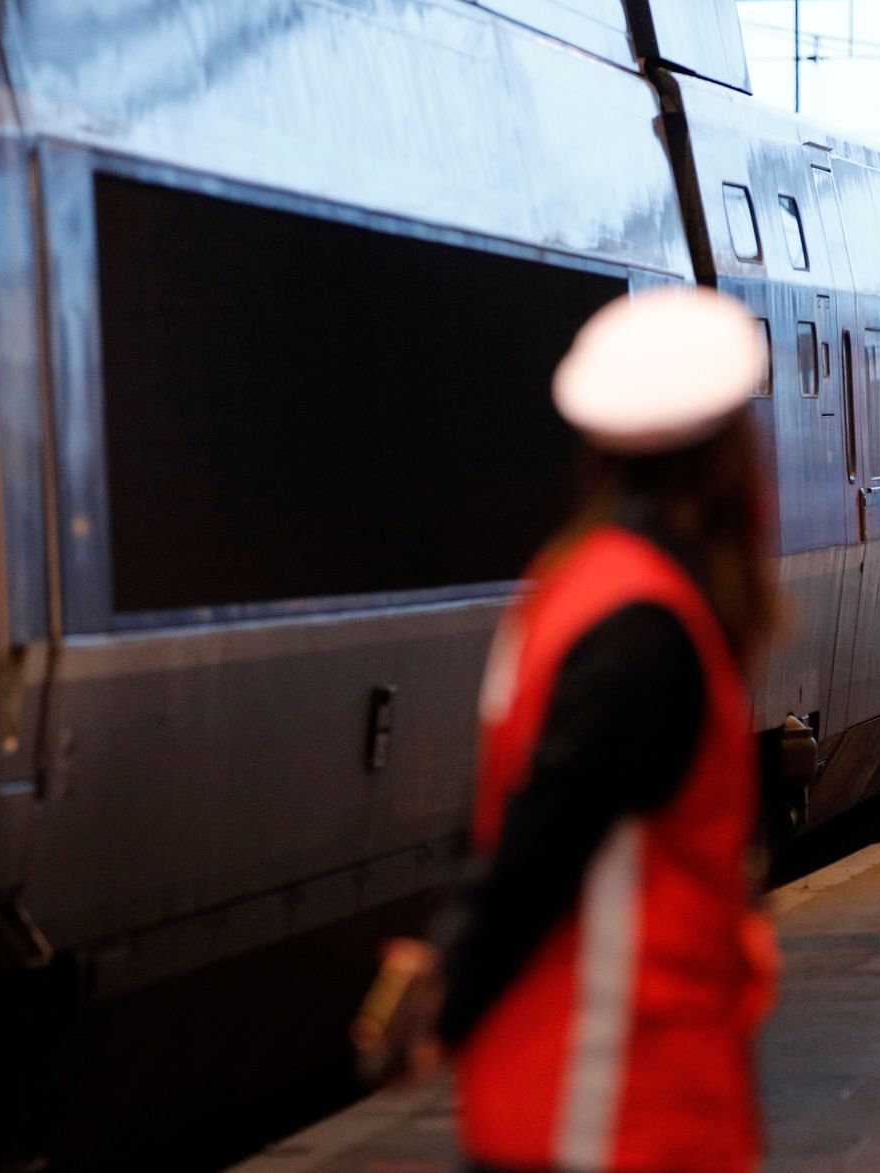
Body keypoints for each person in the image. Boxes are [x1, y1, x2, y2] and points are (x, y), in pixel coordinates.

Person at [353, 287, 781, 1173]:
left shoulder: (573, 582)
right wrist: (452, 994)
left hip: (560, 1084)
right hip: (618, 1096)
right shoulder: (644, 626)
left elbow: (511, 820)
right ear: (730, 452)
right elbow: (540, 843)